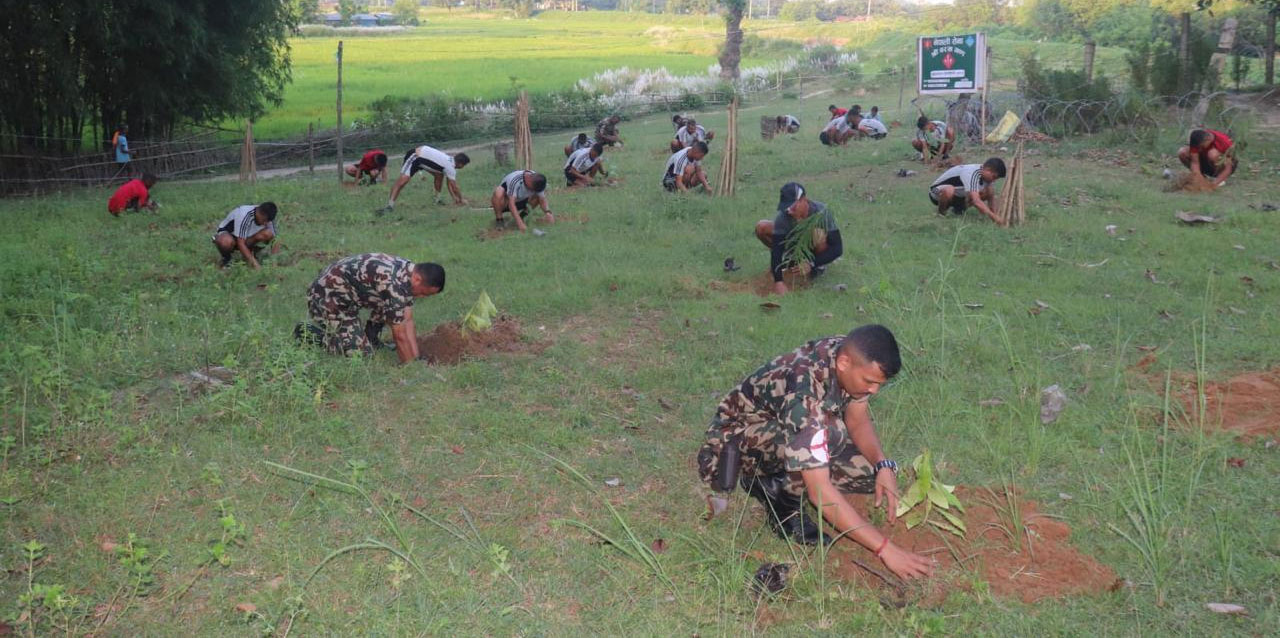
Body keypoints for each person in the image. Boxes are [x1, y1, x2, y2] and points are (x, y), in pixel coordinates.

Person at [695, 324, 936, 582]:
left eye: (879, 384)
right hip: (729, 447)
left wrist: (883, 465)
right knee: (831, 434)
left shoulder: (848, 355)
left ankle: (775, 479)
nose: (874, 390)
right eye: (869, 382)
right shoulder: (804, 393)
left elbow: (857, 419)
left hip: (785, 430)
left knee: (866, 475)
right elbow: (820, 493)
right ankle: (782, 500)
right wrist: (885, 549)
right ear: (844, 363)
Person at [302, 253, 445, 364]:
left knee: (394, 307)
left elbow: (407, 320)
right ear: (417, 279)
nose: (420, 297)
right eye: (423, 293)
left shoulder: (409, 273)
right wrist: (409, 366)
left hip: (348, 297)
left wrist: (416, 358)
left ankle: (370, 338)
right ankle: (307, 333)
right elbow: (399, 334)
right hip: (327, 299)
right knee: (362, 356)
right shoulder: (393, 284)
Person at [754, 182, 842, 296]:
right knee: (762, 227)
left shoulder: (822, 212)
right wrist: (778, 282)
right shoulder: (783, 217)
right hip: (794, 244)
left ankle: (818, 268)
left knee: (817, 233)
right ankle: (791, 261)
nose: (789, 211)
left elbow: (837, 248)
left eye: (792, 207)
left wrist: (811, 263)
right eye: (786, 208)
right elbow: (776, 250)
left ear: (803, 200)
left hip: (815, 251)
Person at [381, 145, 470, 213]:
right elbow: (454, 187)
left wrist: (455, 198)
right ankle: (390, 206)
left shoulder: (450, 161)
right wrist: (461, 199)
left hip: (422, 159)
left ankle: (437, 199)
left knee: (439, 175)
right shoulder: (450, 167)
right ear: (461, 164)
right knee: (402, 181)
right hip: (415, 156)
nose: (463, 167)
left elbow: (449, 184)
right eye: (464, 165)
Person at [928, 157, 1006, 223]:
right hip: (935, 192)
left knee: (989, 191)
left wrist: (994, 214)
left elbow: (991, 197)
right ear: (988, 170)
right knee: (949, 190)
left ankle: (958, 209)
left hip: (958, 195)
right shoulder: (972, 172)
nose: (994, 180)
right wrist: (996, 219)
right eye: (994, 177)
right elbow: (976, 201)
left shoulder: (987, 178)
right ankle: (941, 214)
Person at [212, 203, 278, 269]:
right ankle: (227, 260)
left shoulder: (269, 217)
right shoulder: (244, 214)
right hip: (231, 236)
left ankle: (253, 254)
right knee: (225, 242)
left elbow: (276, 240)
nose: (265, 223)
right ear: (260, 213)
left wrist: (274, 262)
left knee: (268, 234)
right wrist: (255, 265)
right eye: (264, 220)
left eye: (267, 221)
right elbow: (240, 243)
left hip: (246, 238)